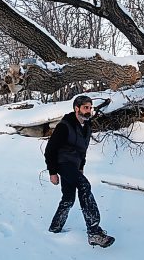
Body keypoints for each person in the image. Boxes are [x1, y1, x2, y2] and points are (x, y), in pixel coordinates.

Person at [44, 95, 115, 248]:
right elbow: (50, 150)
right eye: (86, 107)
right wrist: (52, 172)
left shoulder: (87, 127)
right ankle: (94, 232)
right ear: (77, 109)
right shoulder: (65, 125)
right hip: (63, 164)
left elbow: (82, 151)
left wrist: (81, 168)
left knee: (68, 198)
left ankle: (55, 227)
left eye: (90, 107)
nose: (89, 110)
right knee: (84, 186)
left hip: (74, 166)